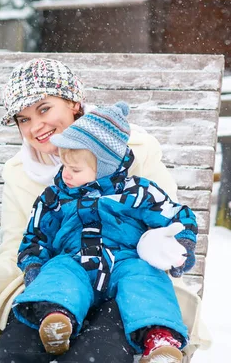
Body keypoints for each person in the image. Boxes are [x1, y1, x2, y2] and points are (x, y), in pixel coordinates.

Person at [0, 58, 210, 362]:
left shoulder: (129, 149)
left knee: (98, 350)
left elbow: (166, 217)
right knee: (17, 347)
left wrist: (163, 244)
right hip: (59, 285)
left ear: (74, 103)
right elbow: (20, 250)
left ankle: (154, 341)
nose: (36, 126)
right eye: (23, 119)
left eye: (44, 109)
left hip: (126, 284)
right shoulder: (21, 176)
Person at [14, 101, 196, 362]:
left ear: (105, 167)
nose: (65, 174)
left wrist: (182, 245)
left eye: (75, 169)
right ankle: (56, 319)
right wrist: (33, 266)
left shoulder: (138, 192)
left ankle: (159, 339)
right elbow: (35, 235)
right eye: (63, 166)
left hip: (125, 261)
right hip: (75, 259)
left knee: (147, 279)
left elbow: (177, 215)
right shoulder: (54, 197)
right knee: (57, 272)